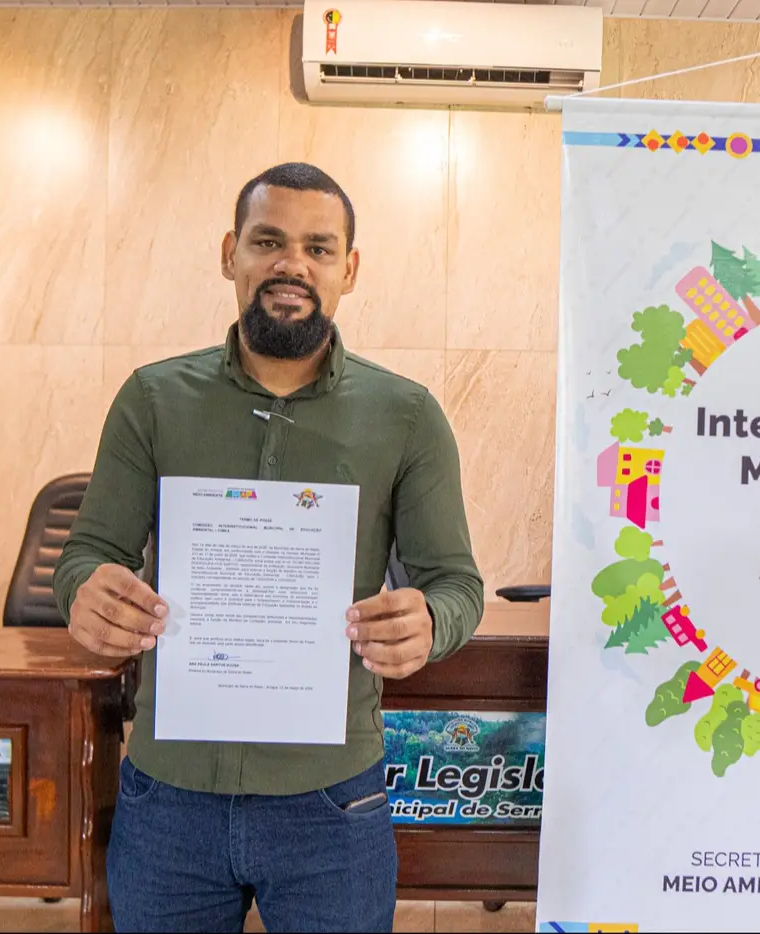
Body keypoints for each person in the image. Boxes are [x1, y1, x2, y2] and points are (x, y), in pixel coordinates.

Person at [52, 162, 485, 933]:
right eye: (268, 241)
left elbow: (455, 583)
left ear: (350, 269)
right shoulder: (153, 398)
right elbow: (87, 554)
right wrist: (84, 593)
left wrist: (431, 620)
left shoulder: (406, 416)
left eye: (319, 248)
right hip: (170, 799)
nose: (293, 264)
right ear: (231, 254)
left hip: (332, 806)